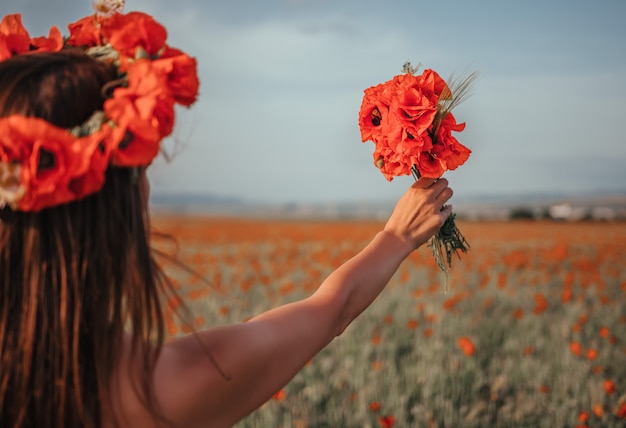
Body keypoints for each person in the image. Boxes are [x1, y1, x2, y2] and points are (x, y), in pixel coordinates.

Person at [0, 7, 454, 428]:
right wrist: (396, 236)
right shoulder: (161, 388)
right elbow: (330, 311)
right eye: (139, 167)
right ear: (107, 209)